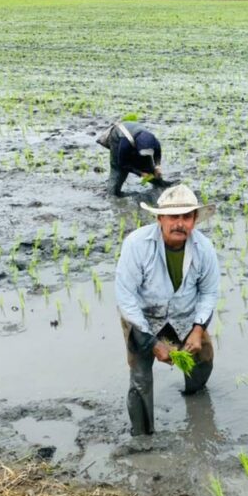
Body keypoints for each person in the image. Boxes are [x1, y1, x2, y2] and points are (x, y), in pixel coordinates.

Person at [114, 184, 219, 436]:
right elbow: (126, 297)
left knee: (202, 358)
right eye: (173, 217)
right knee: (140, 379)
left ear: (194, 220)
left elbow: (209, 293)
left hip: (184, 316)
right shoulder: (137, 245)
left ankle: (195, 398)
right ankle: (143, 437)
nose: (179, 223)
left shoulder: (204, 249)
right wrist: (152, 342)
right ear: (160, 218)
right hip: (142, 318)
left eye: (186, 217)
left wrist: (197, 329)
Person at [103, 121, 165, 197]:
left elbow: (157, 152)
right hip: (118, 137)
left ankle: (160, 186)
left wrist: (157, 166)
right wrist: (140, 173)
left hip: (136, 137)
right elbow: (122, 163)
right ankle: (113, 196)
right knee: (119, 172)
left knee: (149, 168)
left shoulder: (154, 141)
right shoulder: (125, 144)